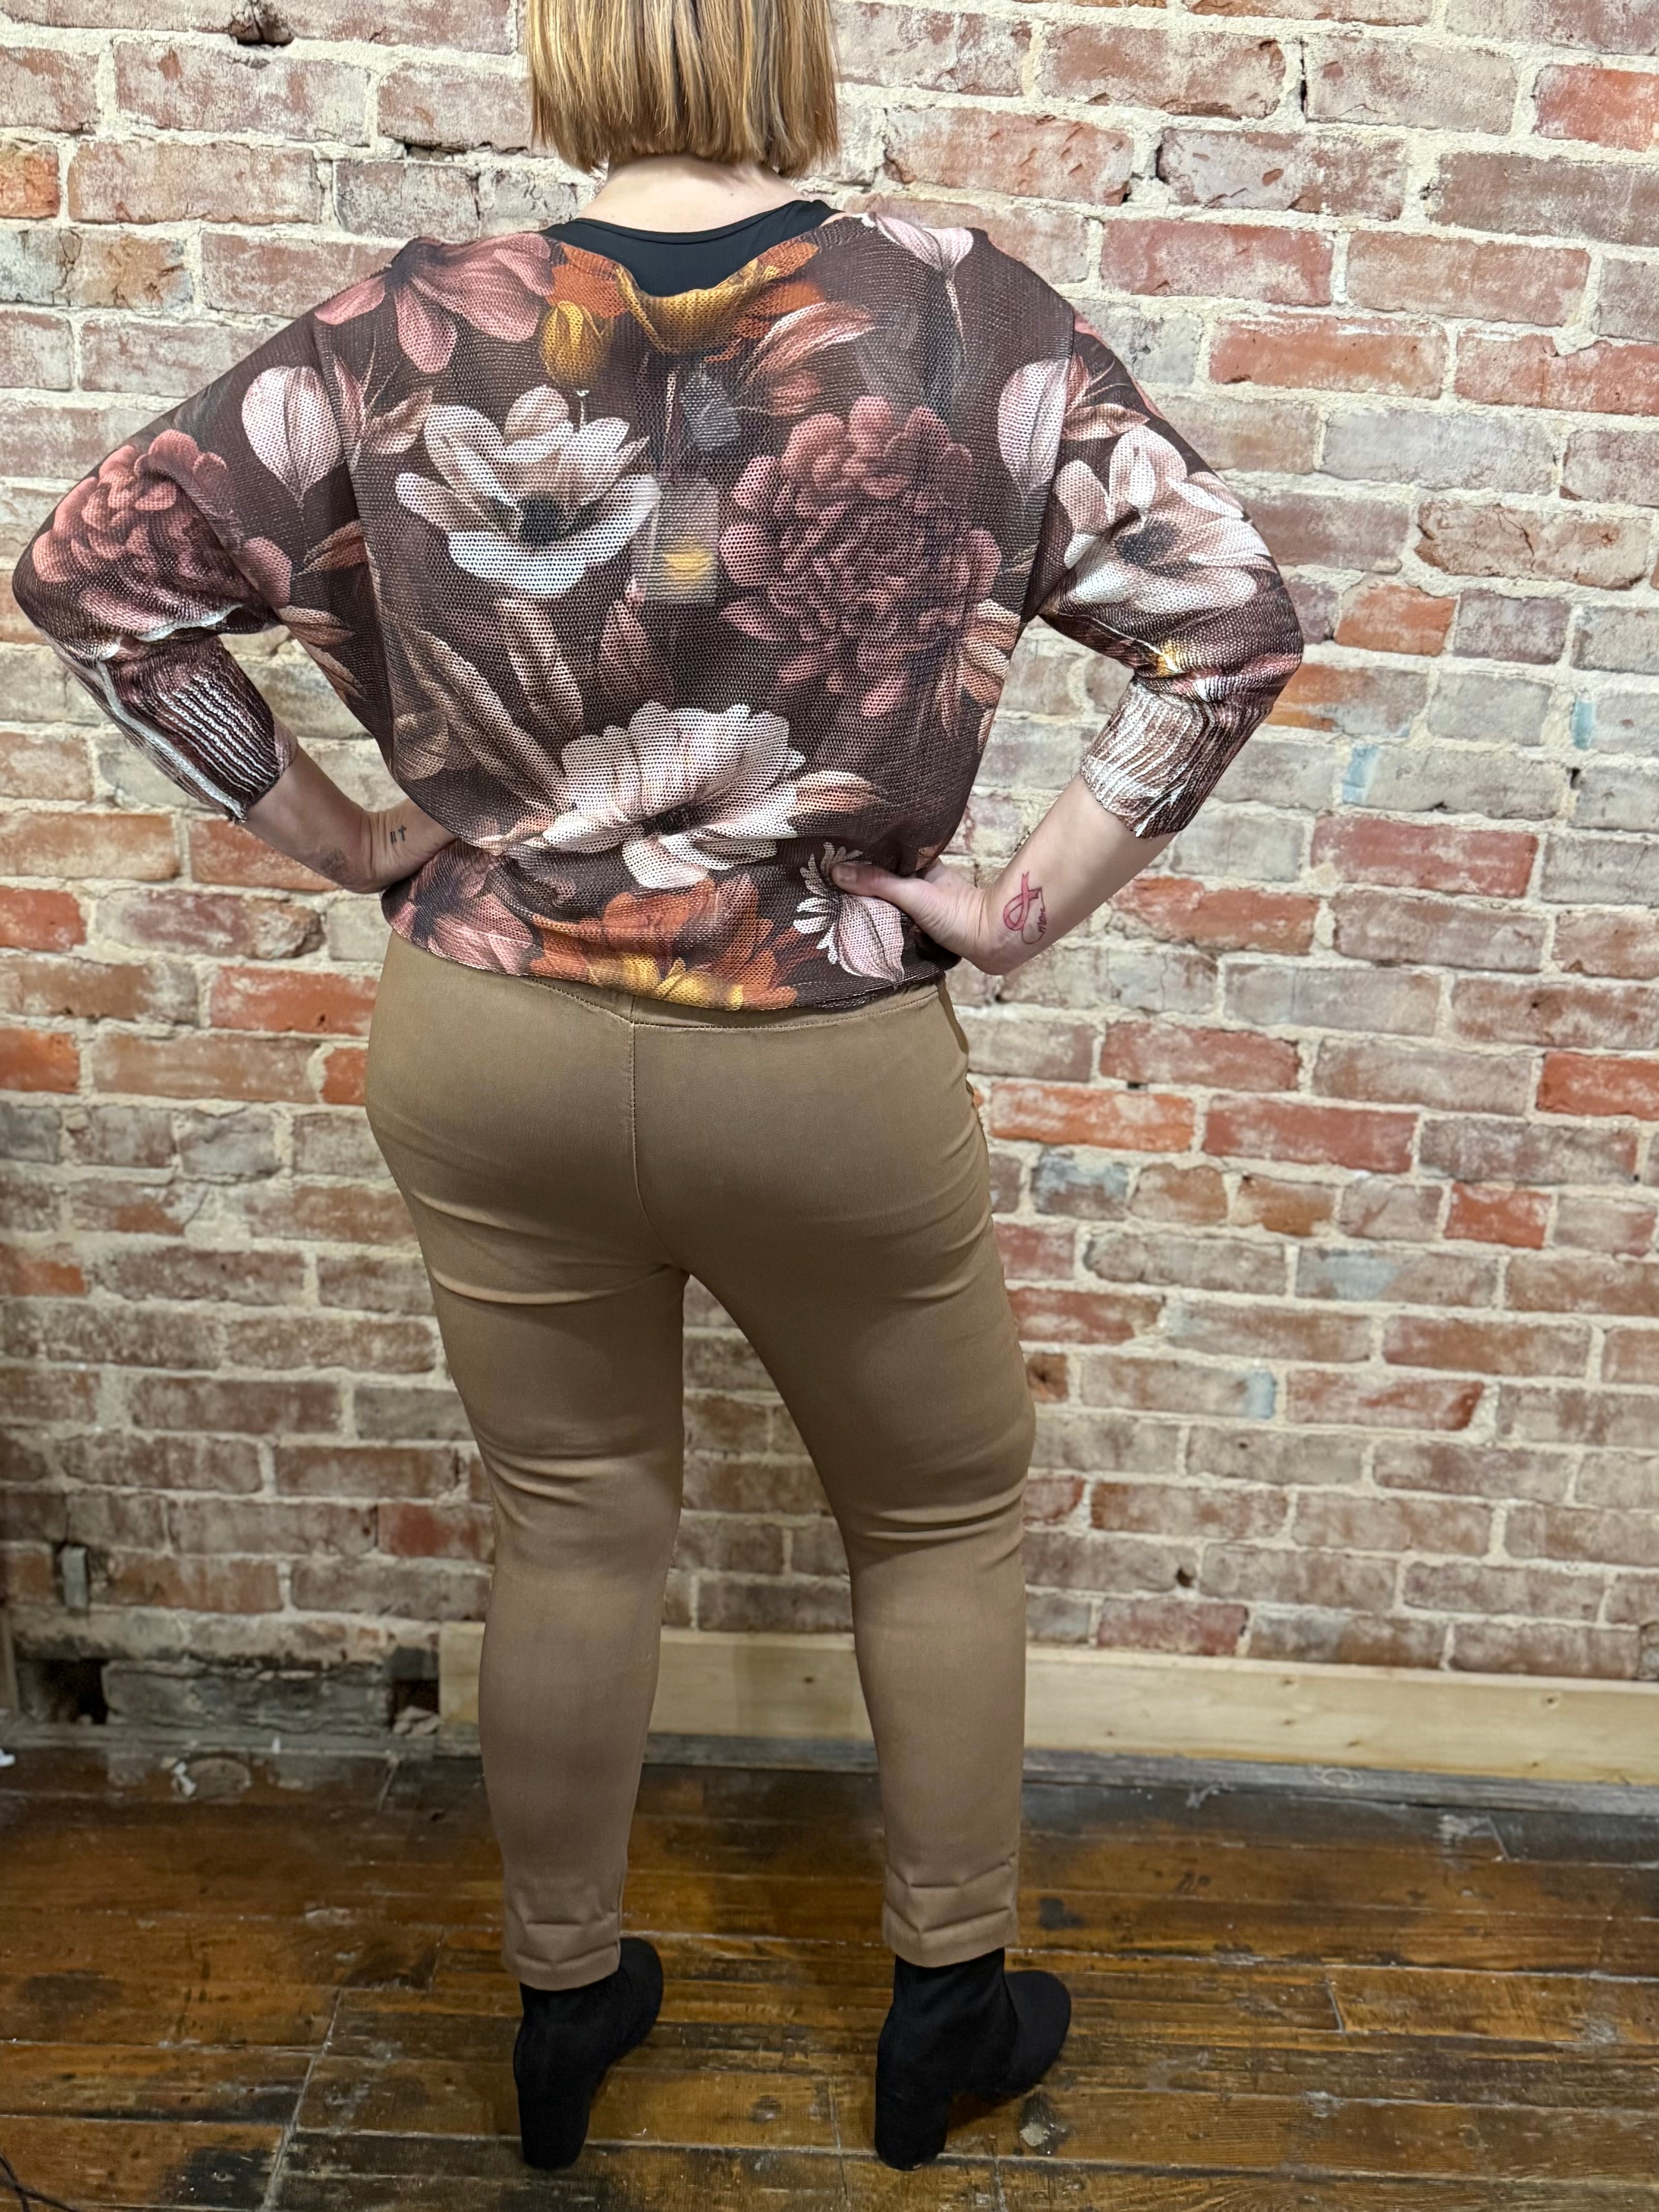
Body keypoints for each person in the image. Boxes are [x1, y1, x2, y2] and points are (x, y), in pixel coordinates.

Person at [11, 0, 1304, 2173]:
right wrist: (1017, 910)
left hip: (488, 1039)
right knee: (937, 1514)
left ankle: (563, 2003)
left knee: (571, 1515)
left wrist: (352, 845)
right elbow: (1230, 624)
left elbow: (92, 579)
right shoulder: (964, 312)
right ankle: (946, 2007)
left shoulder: (397, 326)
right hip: (819, 1053)